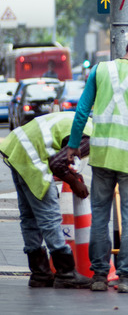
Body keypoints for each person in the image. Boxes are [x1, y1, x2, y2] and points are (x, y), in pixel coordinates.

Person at [67, 23, 128, 293]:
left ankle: (99, 276)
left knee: (99, 216)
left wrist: (73, 145)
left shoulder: (99, 70)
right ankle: (127, 277)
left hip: (101, 156)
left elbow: (81, 112)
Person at [0, 112, 93, 289]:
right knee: (49, 216)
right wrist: (74, 182)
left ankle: (40, 274)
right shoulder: (90, 137)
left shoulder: (85, 122)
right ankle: (66, 273)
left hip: (16, 147)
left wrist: (72, 173)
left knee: (30, 218)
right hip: (31, 154)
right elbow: (57, 163)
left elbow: (62, 155)